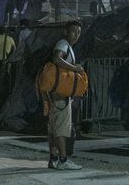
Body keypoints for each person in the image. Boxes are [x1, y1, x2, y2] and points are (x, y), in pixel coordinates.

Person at [45, 20, 84, 170]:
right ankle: (63, 159)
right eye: (74, 31)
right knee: (61, 129)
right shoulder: (63, 44)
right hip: (61, 96)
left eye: (79, 32)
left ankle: (53, 158)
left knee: (53, 129)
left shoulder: (66, 45)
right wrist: (74, 68)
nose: (76, 35)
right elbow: (56, 58)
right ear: (66, 31)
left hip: (54, 95)